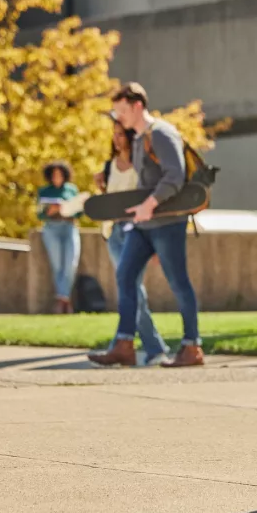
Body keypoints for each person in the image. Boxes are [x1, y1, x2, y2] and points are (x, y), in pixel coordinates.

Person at [88, 83, 204, 368]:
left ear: (138, 106)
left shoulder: (161, 133)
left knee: (178, 282)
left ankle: (192, 347)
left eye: (123, 110)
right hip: (142, 224)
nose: (119, 117)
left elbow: (174, 176)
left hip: (166, 223)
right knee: (125, 276)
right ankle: (124, 344)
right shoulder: (139, 139)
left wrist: (148, 205)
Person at [92, 118, 171, 367]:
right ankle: (148, 348)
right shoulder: (109, 167)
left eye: (121, 134)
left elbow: (148, 197)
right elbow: (109, 200)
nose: (117, 138)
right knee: (131, 288)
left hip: (136, 231)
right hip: (114, 232)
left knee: (131, 288)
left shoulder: (141, 165)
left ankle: (136, 346)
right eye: (114, 134)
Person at [37, 160, 81, 314]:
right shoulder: (44, 191)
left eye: (60, 174)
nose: (57, 177)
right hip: (52, 228)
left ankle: (63, 298)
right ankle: (64, 301)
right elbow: (40, 213)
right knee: (57, 265)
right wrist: (51, 210)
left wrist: (66, 208)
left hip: (69, 227)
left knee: (70, 264)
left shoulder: (71, 190)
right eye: (54, 174)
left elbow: (79, 211)